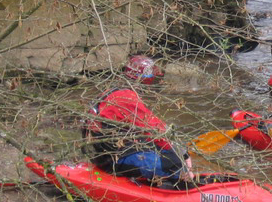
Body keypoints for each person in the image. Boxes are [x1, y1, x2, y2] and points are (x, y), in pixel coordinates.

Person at [82, 55, 194, 185]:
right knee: (173, 163)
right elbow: (156, 130)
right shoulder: (127, 98)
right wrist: (182, 157)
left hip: (102, 155)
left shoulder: (112, 92)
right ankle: (178, 183)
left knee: (157, 147)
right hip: (113, 161)